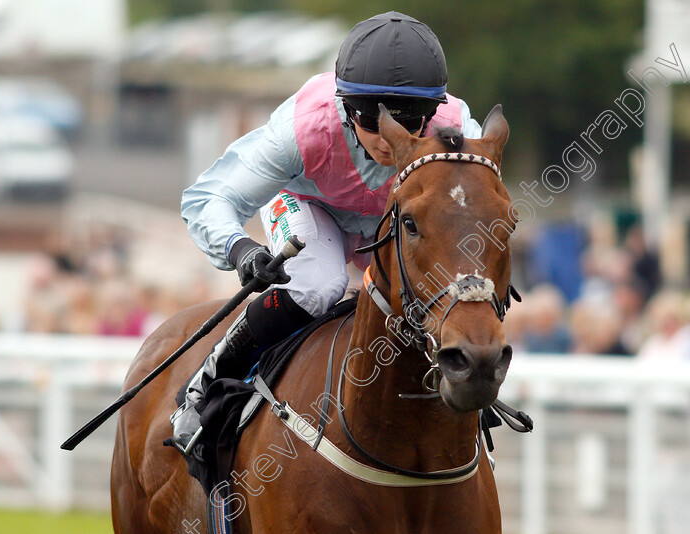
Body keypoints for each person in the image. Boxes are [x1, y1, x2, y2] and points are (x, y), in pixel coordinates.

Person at [170, 12, 484, 453]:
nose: (389, 137)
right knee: (320, 284)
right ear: (346, 105)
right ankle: (208, 383)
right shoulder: (303, 129)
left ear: (433, 112)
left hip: (387, 221)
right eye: (372, 119)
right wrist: (240, 249)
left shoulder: (456, 133)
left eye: (409, 119)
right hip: (310, 208)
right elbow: (209, 199)